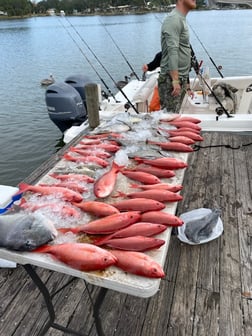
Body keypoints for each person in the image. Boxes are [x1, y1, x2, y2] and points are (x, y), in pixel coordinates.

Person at [158, 0, 197, 113]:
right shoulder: (173, 20)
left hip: (181, 78)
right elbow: (172, 51)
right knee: (169, 118)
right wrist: (175, 81)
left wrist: (187, 84)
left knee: (174, 116)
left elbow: (183, 52)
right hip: (171, 79)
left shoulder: (180, 19)